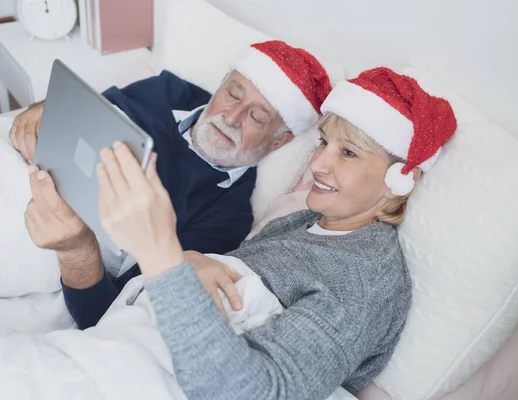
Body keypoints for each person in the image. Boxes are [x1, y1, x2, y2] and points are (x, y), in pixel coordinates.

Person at [95, 67, 458, 399]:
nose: (317, 164)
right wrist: (191, 261)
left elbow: (252, 393)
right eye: (322, 143)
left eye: (347, 153)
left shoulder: (367, 279)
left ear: (399, 179)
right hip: (117, 349)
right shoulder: (301, 222)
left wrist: (162, 256)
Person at [10, 40, 334, 329]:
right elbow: (87, 109)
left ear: (280, 141)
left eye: (258, 117)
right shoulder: (168, 91)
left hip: (40, 235)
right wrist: (44, 109)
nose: (232, 117)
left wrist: (76, 250)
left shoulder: (226, 218)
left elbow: (107, 313)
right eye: (233, 93)